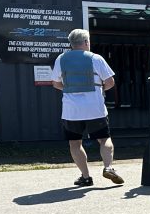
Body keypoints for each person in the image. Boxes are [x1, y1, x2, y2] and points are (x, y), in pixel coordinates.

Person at [51, 28, 124, 186]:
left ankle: (85, 176)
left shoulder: (61, 59)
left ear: (71, 43)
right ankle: (108, 167)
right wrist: (99, 91)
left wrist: (71, 88)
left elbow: (56, 83)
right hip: (94, 108)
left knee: (75, 143)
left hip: (71, 111)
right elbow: (110, 82)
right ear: (86, 42)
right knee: (104, 139)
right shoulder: (96, 58)